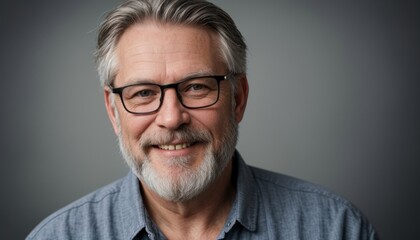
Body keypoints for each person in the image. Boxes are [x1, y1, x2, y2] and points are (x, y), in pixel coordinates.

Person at [26, 0, 379, 239]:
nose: (171, 118)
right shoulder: (59, 235)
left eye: (196, 87)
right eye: (143, 93)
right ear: (113, 111)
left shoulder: (335, 228)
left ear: (237, 98)